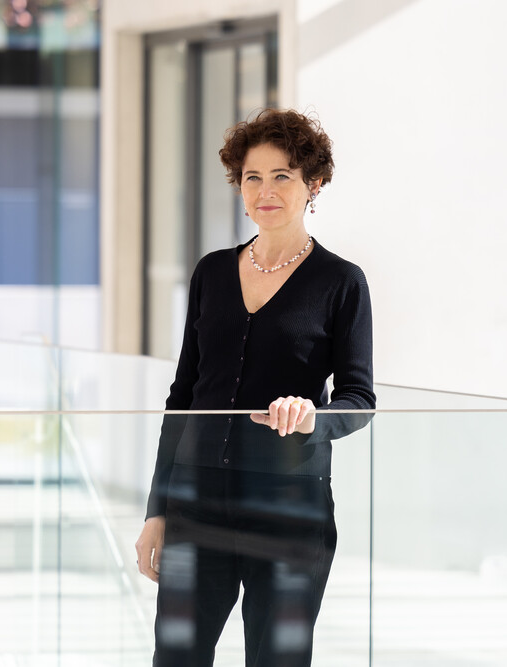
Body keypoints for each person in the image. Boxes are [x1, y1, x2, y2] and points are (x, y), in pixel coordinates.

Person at [135, 108, 375, 667]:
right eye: (252, 177)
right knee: (175, 658)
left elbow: (359, 400)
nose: (265, 191)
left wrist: (314, 414)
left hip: (289, 510)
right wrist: (157, 508)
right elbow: (184, 397)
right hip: (195, 505)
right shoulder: (211, 273)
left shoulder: (342, 283)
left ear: (313, 185)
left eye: (282, 176)